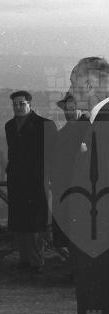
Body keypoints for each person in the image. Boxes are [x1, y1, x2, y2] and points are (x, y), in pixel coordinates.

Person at [57, 57, 109, 314]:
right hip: (93, 239)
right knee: (91, 310)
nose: (71, 89)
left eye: (74, 83)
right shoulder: (95, 122)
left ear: (90, 86)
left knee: (98, 313)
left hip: (99, 242)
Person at [4, 90, 57, 274]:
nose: (18, 107)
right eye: (15, 104)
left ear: (30, 104)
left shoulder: (45, 124)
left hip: (36, 180)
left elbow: (52, 154)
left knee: (35, 222)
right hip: (16, 180)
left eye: (22, 103)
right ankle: (24, 259)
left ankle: (36, 261)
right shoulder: (9, 126)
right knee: (20, 222)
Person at [51, 93, 89, 252]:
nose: (69, 113)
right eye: (67, 109)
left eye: (73, 109)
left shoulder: (89, 129)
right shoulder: (63, 132)